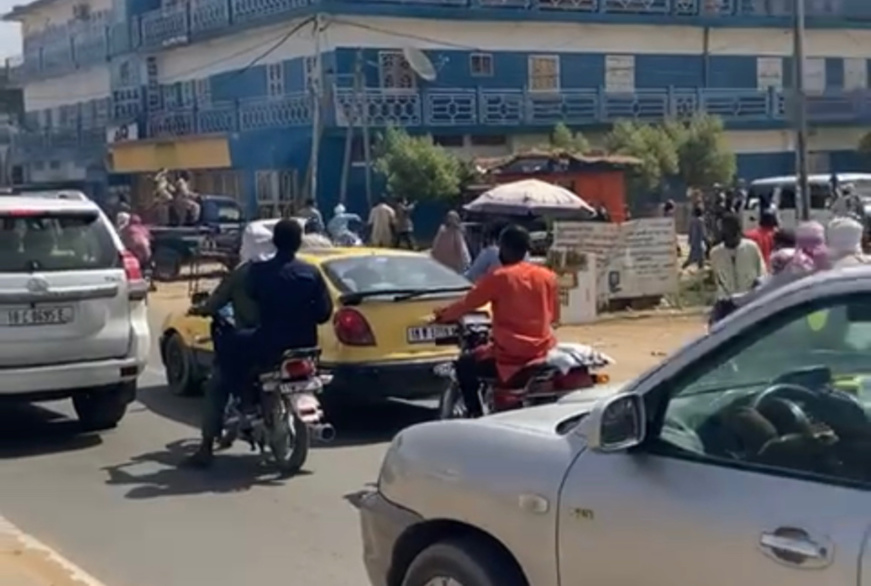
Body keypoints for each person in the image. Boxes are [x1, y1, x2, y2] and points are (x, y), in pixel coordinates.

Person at [184, 219, 333, 468]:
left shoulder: (254, 273)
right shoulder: (311, 272)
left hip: (267, 344)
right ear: (299, 242)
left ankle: (207, 446)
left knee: (218, 378)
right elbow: (324, 312)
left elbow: (242, 307)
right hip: (305, 347)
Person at [433, 225, 559, 417]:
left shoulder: (499, 276)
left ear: (505, 248)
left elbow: (468, 303)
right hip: (543, 350)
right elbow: (555, 316)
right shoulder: (547, 276)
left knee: (464, 364)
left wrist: (443, 316)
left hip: (509, 354)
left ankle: (475, 414)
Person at [709, 213, 766, 300]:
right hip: (726, 302)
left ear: (739, 232)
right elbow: (717, 280)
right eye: (727, 234)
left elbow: (762, 274)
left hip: (750, 299)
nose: (731, 238)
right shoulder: (715, 254)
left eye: (733, 233)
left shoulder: (751, 248)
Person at [682, 206, 706, 270]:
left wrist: (690, 240)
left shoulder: (692, 221)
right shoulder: (700, 221)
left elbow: (690, 232)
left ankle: (684, 267)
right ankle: (700, 269)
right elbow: (702, 232)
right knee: (697, 257)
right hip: (698, 242)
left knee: (694, 257)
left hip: (694, 241)